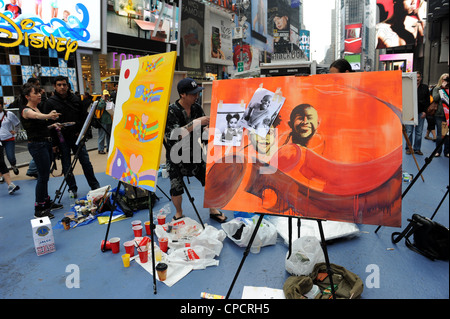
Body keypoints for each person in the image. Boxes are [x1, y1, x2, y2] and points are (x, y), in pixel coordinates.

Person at [165, 78, 227, 223]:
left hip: (195, 152)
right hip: (176, 155)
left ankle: (213, 209)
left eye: (197, 93)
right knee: (176, 186)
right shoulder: (171, 111)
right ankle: (179, 213)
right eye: (193, 94)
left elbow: (203, 128)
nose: (196, 96)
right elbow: (173, 135)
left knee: (210, 179)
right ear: (182, 94)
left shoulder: (196, 108)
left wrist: (210, 129)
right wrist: (196, 122)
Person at [45, 76, 100, 198]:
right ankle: (72, 188)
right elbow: (49, 124)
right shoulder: (50, 102)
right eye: (59, 85)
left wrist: (81, 132)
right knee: (66, 165)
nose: (62, 87)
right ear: (55, 86)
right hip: (61, 140)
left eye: (64, 84)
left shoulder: (75, 99)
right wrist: (54, 144)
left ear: (68, 85)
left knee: (86, 162)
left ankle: (94, 186)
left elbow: (83, 117)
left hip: (77, 137)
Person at [20, 83, 62, 218]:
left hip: (45, 143)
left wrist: (52, 125)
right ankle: (39, 207)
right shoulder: (26, 111)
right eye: (35, 93)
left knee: (45, 174)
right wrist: (49, 115)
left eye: (39, 92)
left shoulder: (37, 109)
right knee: (42, 176)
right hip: (37, 145)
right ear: (27, 96)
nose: (39, 95)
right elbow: (37, 117)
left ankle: (46, 201)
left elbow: (40, 126)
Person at [404, 71, 430, 155]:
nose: (417, 78)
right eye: (416, 77)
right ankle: (409, 148)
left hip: (420, 112)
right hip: (409, 112)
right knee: (409, 132)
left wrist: (425, 112)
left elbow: (427, 101)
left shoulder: (425, 88)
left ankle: (417, 149)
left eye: (419, 77)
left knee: (419, 132)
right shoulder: (408, 86)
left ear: (421, 78)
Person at [0, 99, 20, 175]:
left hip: (9, 139)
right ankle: (1, 175)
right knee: (0, 160)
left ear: (1, 105)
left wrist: (15, 131)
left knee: (11, 157)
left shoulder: (9, 114)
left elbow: (17, 123)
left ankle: (13, 165)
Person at [432, 73, 449, 157]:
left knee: (448, 134)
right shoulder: (437, 88)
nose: (446, 81)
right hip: (440, 114)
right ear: (441, 80)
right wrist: (442, 88)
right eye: (444, 79)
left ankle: (447, 151)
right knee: (440, 135)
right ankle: (438, 151)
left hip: (448, 115)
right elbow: (435, 98)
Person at [96, 90, 113, 154]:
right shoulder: (100, 102)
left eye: (107, 96)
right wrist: (103, 100)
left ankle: (109, 148)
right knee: (101, 136)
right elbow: (99, 107)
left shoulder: (109, 101)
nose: (106, 97)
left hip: (109, 121)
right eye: (105, 95)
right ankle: (100, 149)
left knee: (109, 135)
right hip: (102, 121)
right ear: (102, 95)